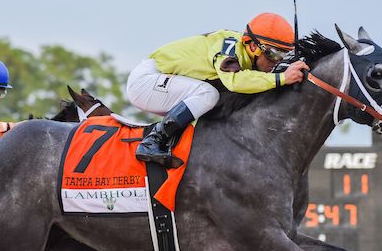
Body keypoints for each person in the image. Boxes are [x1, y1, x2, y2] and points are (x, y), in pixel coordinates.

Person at [127, 12, 310, 168]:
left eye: (283, 55)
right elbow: (235, 81)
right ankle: (153, 141)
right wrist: (282, 78)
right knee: (208, 94)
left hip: (163, 83)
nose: (276, 61)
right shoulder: (228, 46)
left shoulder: (245, 54)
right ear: (253, 46)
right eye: (273, 54)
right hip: (146, 82)